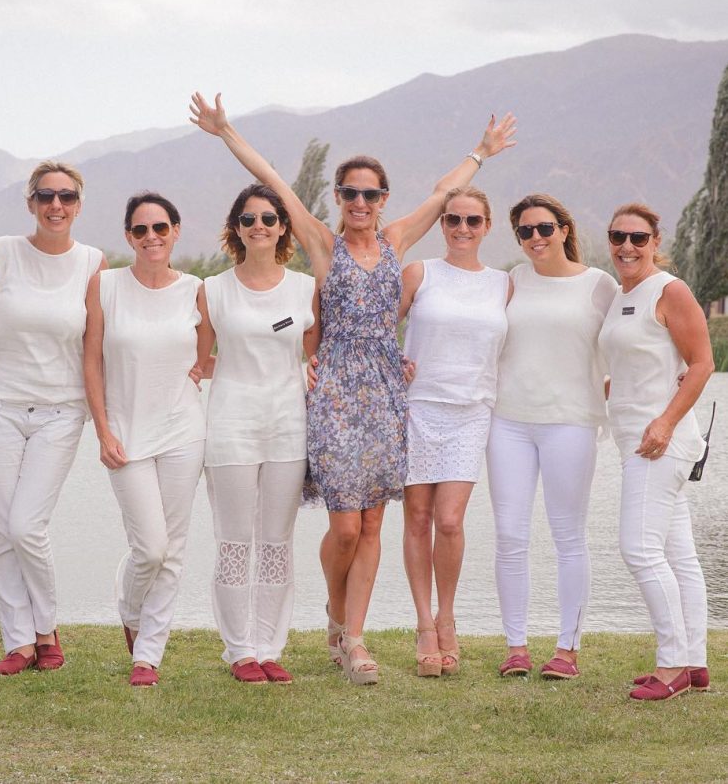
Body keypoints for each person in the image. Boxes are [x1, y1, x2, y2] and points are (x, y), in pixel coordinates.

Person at [190, 91, 515, 684]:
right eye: (350, 193)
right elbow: (274, 181)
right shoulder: (323, 243)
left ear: (383, 199)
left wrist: (482, 152)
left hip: (386, 391)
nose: (360, 202)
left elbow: (444, 193)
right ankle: (335, 618)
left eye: (370, 194)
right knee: (344, 527)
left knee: (372, 525)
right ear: (338, 198)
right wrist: (226, 131)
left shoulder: (395, 242)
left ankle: (354, 640)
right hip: (335, 391)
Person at [0, 161, 106, 675]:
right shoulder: (1, 252)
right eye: (46, 196)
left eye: (66, 197)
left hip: (60, 411)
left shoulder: (92, 262)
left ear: (78, 205)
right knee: (3, 530)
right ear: (30, 202)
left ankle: (46, 628)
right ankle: (19, 642)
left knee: (27, 524)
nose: (56, 205)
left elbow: (96, 348)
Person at [488, 194, 617, 680]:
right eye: (525, 231)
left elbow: (630, 341)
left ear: (564, 230)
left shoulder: (599, 285)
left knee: (568, 536)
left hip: (571, 422)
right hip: (508, 422)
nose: (535, 238)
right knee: (509, 534)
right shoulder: (514, 281)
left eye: (544, 228)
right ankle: (516, 647)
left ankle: (567, 649)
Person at [196, 183, 318, 684]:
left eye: (269, 218)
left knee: (276, 542)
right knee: (233, 541)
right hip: (231, 426)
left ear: (283, 227)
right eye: (248, 219)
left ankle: (269, 647)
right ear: (237, 228)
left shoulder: (305, 289)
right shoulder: (213, 289)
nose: (259, 226)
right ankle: (240, 650)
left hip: (288, 427)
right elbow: (197, 363)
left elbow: (316, 358)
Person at [83, 192, 206, 687]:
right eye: (141, 229)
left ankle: (147, 656)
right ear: (129, 237)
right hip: (126, 434)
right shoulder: (106, 285)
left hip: (183, 432)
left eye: (160, 227)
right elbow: (91, 360)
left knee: (172, 550)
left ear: (176, 231)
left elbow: (212, 354)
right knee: (150, 548)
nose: (151, 237)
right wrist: (102, 430)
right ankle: (130, 608)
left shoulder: (197, 290)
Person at [598, 203, 713, 701]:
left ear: (654, 241)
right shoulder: (621, 294)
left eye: (638, 238)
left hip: (660, 443)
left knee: (639, 550)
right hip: (634, 438)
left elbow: (702, 364)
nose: (627, 246)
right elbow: (636, 365)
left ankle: (672, 666)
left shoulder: (670, 290)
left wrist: (665, 422)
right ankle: (696, 662)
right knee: (679, 556)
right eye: (618, 237)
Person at [398, 186, 510, 677]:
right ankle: (424, 623)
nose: (462, 229)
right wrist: (392, 361)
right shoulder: (419, 273)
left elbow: (542, 337)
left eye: (472, 221)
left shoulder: (504, 284)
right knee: (418, 518)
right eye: (453, 220)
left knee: (449, 520)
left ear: (487, 226)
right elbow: (374, 329)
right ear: (442, 224)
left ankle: (448, 616)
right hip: (417, 406)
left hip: (472, 410)